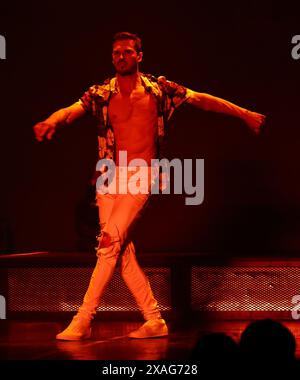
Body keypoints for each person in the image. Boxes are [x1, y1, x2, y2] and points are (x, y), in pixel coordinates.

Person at [33, 32, 266, 340]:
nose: (120, 57)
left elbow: (202, 100)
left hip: (143, 174)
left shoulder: (160, 90)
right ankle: (154, 320)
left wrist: (244, 114)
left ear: (139, 56)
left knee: (108, 245)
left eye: (127, 52)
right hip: (107, 175)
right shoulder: (102, 92)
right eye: (116, 52)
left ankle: (83, 319)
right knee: (121, 251)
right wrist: (51, 121)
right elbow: (72, 110)